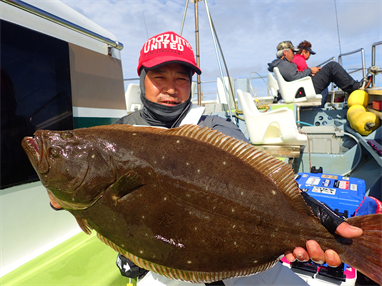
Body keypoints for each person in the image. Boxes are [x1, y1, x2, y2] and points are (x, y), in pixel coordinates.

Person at [49, 32, 363, 286]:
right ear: (142, 77)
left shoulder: (215, 126)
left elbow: (259, 181)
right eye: (159, 76)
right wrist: (57, 194)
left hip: (245, 270)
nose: (171, 88)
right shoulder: (115, 135)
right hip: (168, 269)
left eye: (182, 79)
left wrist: (315, 218)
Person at [267, 41, 368, 106]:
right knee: (332, 67)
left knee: (329, 71)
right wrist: (310, 71)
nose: (294, 54)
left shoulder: (281, 64)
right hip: (301, 91)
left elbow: (293, 77)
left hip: (299, 89)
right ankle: (355, 87)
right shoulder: (283, 64)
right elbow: (295, 77)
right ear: (285, 52)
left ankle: (351, 88)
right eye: (292, 52)